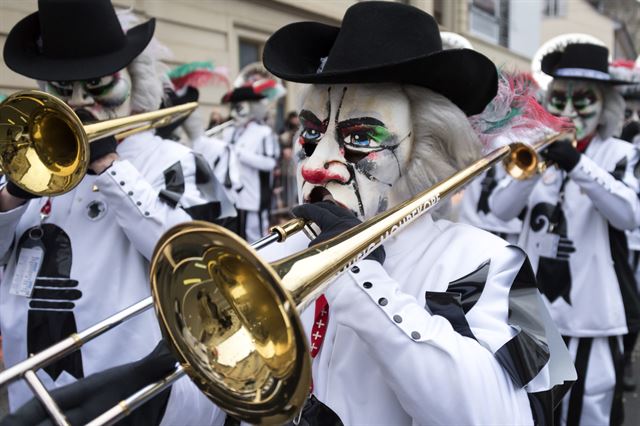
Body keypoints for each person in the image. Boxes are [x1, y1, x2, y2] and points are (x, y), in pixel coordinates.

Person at [4, 3, 575, 425]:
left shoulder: (491, 262)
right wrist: (137, 386)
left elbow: (503, 415)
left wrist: (352, 271)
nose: (317, 163)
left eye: (358, 137)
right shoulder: (281, 250)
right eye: (309, 134)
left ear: (424, 148)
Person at [0, 0, 230, 424]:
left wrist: (110, 168)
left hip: (132, 387)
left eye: (99, 85)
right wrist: (10, 198)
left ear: (133, 80)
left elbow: (196, 261)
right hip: (31, 384)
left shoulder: (172, 159)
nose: (82, 102)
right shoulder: (33, 161)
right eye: (63, 90)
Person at [490, 42, 640, 425]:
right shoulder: (532, 149)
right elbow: (500, 209)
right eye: (559, 100)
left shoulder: (620, 153)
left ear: (604, 105)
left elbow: (629, 215)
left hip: (592, 309)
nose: (569, 112)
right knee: (531, 402)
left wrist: (579, 166)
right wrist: (537, 166)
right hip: (530, 306)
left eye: (582, 101)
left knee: (587, 405)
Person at [195, 83, 280, 242]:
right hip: (233, 197)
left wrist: (238, 152)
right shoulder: (229, 132)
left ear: (252, 107)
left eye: (239, 107)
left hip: (255, 197)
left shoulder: (264, 133)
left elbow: (270, 163)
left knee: (256, 239)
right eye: (233, 107)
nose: (234, 112)